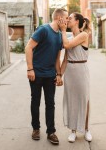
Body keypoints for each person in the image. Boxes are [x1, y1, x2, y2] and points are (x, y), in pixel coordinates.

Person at [25, 8, 68, 145]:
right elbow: (28, 47)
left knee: (50, 103)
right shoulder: (43, 30)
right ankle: (36, 129)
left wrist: (59, 74)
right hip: (36, 73)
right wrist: (30, 69)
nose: (67, 21)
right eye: (66, 18)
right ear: (59, 18)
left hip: (50, 75)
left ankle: (51, 132)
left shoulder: (61, 36)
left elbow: (57, 58)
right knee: (35, 101)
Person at [58, 13, 93, 143]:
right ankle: (73, 130)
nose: (67, 20)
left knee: (84, 100)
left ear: (77, 21)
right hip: (70, 72)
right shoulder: (69, 37)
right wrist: (59, 75)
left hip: (81, 70)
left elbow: (66, 46)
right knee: (71, 100)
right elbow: (65, 59)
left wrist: (62, 30)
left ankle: (86, 129)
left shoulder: (83, 35)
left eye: (70, 18)